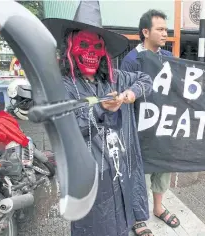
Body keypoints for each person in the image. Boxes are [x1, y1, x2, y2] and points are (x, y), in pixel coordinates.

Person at [42, 1, 153, 235]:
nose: (91, 53)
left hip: (119, 172)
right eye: (84, 44)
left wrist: (131, 93)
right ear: (70, 47)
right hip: (91, 178)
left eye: (96, 46)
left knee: (121, 223)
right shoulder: (62, 86)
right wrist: (100, 109)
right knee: (94, 227)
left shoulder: (113, 79)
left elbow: (145, 78)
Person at [120, 9, 180, 236]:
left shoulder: (169, 58)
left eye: (166, 29)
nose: (165, 33)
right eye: (160, 29)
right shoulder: (131, 60)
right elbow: (125, 95)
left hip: (163, 127)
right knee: (138, 174)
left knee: (162, 169)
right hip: (138, 130)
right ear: (145, 32)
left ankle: (157, 208)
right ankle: (137, 216)